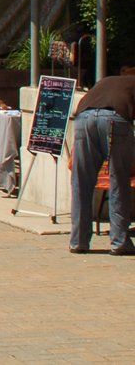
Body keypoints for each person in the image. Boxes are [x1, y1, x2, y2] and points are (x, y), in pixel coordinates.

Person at [68, 69, 135, 255]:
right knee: (119, 180)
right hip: (115, 120)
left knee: (81, 182)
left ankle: (78, 241)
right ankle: (119, 241)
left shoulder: (109, 81)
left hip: (83, 119)